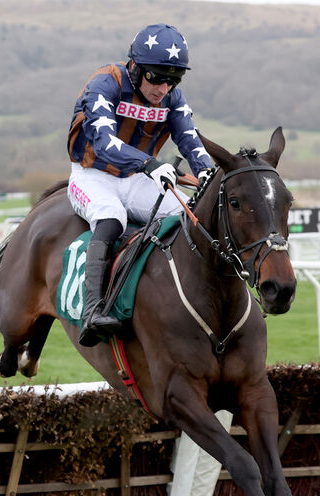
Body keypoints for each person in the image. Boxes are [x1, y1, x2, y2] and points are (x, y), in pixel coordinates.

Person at [66, 23, 214, 347]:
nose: (163, 88)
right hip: (93, 174)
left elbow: (189, 138)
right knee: (111, 219)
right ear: (135, 66)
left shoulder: (172, 98)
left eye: (173, 80)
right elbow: (105, 143)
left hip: (136, 178)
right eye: (156, 77)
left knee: (187, 217)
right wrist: (149, 164)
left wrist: (206, 172)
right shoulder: (105, 83)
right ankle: (93, 311)